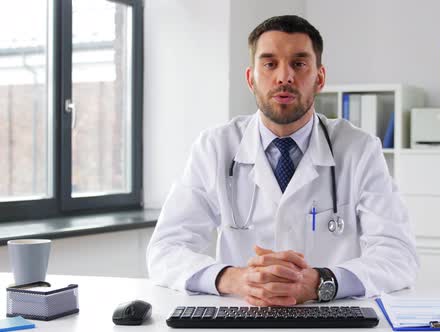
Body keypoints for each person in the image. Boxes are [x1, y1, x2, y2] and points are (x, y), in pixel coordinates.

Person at [146, 15, 418, 306]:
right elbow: (165, 250)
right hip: (242, 314)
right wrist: (235, 279)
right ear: (251, 78)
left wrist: (321, 282)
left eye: (299, 63)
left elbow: (398, 255)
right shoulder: (214, 147)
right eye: (269, 63)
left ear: (320, 77)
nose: (284, 77)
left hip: (330, 314)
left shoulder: (359, 149)